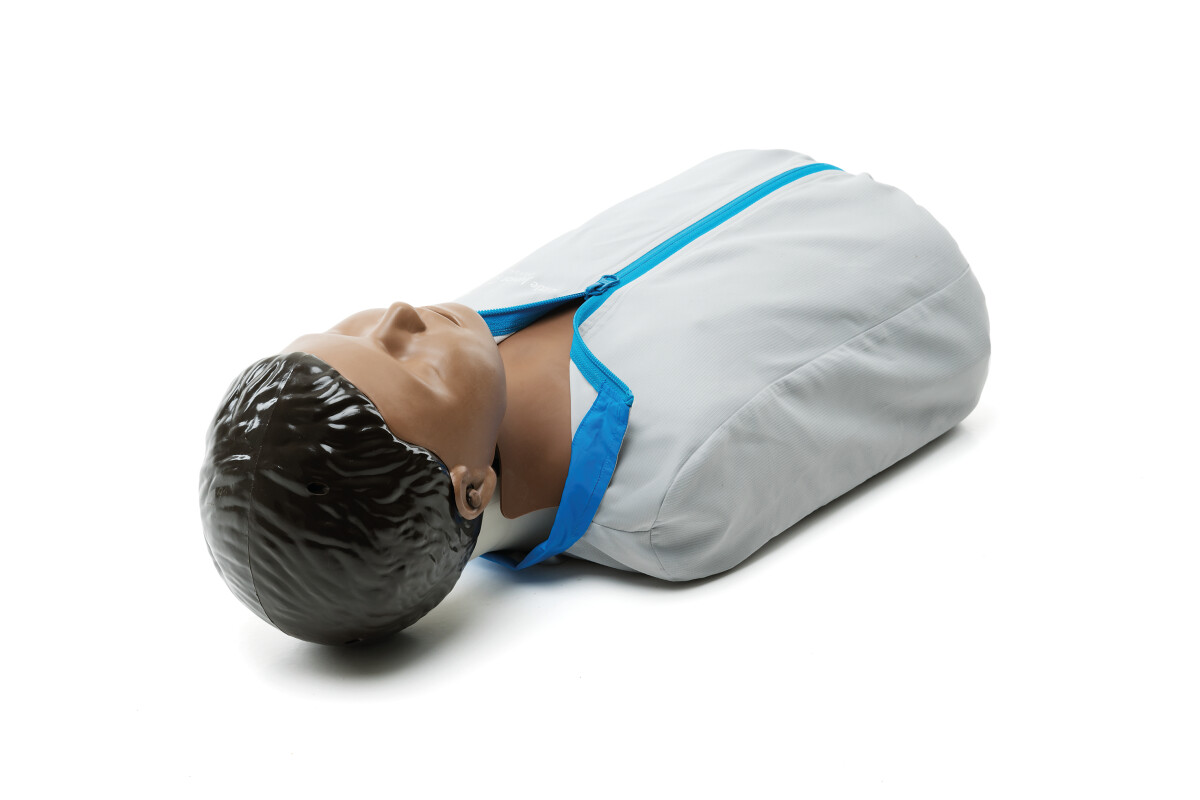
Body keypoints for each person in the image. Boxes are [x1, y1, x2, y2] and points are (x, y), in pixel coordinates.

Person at [200, 149, 990, 645]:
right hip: (929, 275)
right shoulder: (673, 497)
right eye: (407, 365)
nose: (401, 315)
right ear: (469, 490)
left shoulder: (465, 330)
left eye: (353, 331)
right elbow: (933, 344)